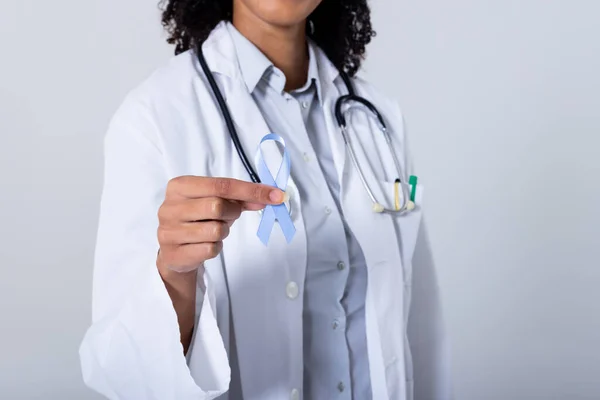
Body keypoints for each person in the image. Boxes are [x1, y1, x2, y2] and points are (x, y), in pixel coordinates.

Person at [79, 0, 452, 399]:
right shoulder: (154, 117)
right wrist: (175, 277)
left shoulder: (376, 116)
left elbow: (420, 327)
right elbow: (119, 369)